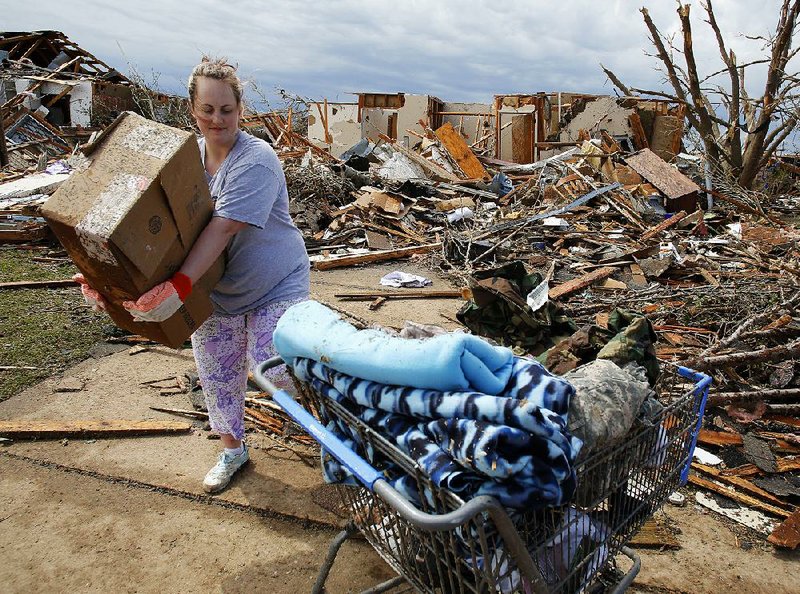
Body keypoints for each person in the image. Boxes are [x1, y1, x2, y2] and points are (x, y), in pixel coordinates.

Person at [76, 57, 309, 494]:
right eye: (207, 109)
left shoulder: (256, 159)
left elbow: (222, 227)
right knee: (217, 372)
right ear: (192, 110)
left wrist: (179, 285)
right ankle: (232, 450)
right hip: (216, 289)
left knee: (275, 369)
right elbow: (143, 224)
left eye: (226, 109)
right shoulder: (183, 160)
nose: (216, 119)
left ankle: (332, 424)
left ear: (240, 110)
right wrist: (103, 276)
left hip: (273, 280)